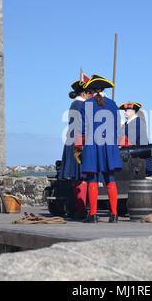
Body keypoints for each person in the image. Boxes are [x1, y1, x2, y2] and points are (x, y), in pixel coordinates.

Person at [75, 75, 122, 223]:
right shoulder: (113, 104)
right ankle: (114, 214)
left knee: (92, 179)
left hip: (92, 144)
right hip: (108, 145)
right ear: (103, 89)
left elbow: (82, 128)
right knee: (110, 179)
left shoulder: (86, 104)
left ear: (91, 91)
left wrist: (79, 146)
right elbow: (117, 127)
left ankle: (93, 214)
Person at [59, 78, 93, 219]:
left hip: (72, 142)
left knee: (76, 178)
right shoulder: (82, 105)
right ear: (85, 93)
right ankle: (81, 210)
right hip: (80, 143)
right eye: (91, 92)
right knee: (82, 178)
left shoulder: (74, 104)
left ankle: (75, 209)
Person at [119, 102, 152, 176]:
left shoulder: (138, 122)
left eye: (126, 110)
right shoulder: (127, 123)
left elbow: (131, 140)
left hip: (140, 161)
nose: (124, 112)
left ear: (133, 111)